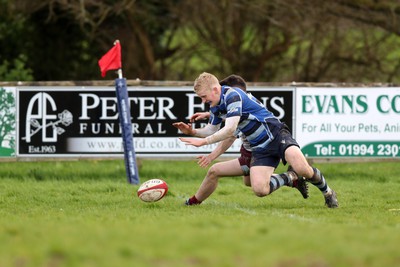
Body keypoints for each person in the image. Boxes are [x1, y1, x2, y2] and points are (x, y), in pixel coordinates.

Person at [174, 72, 338, 208]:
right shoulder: (216, 105)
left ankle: (328, 193)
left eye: (203, 97)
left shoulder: (233, 95)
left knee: (304, 169)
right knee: (259, 189)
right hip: (259, 147)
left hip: (276, 134)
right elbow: (211, 129)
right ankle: (291, 177)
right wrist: (193, 132)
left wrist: (204, 143)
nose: (203, 101)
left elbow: (230, 130)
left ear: (216, 89)